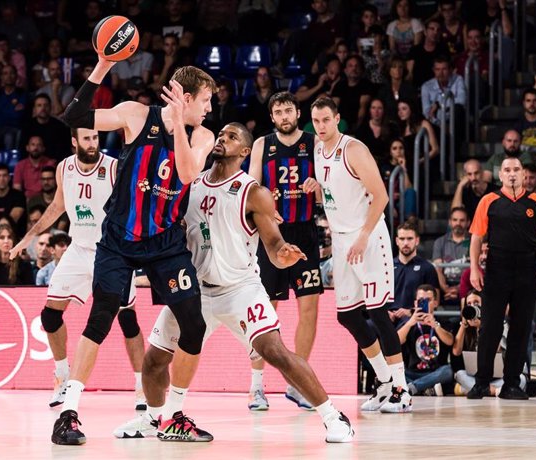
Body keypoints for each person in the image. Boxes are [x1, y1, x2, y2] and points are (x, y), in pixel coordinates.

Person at [113, 122, 354, 442]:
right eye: (221, 134)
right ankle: (154, 420)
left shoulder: (254, 193)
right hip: (196, 289)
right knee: (154, 359)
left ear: (244, 151)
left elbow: (273, 244)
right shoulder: (192, 183)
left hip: (240, 288)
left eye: (232, 137)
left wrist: (284, 254)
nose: (222, 139)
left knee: (274, 350)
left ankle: (332, 415)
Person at [52, 61, 216, 445]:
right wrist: (103, 65)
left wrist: (178, 123)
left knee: (194, 324)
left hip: (166, 245)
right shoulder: (136, 114)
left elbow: (189, 172)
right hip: (119, 240)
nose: (209, 108)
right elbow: (73, 115)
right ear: (187, 96)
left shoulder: (202, 135)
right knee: (101, 317)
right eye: (205, 100)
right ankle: (67, 414)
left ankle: (172, 416)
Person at [11, 128, 147, 410]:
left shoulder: (112, 167)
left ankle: (141, 385)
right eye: (86, 138)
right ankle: (61, 374)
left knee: (128, 320)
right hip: (78, 250)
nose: (92, 143)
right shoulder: (64, 168)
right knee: (49, 316)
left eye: (96, 138)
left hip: (110, 253)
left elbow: (133, 206)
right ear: (74, 141)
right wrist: (26, 238)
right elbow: (56, 207)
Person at [311, 96, 411, 412]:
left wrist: (364, 236)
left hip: (367, 236)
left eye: (326, 120)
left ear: (337, 119)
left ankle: (402, 390)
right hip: (341, 240)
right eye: (316, 121)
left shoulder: (353, 149)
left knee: (378, 311)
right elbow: (335, 193)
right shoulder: (317, 147)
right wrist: (315, 188)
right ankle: (383, 382)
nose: (321, 126)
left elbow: (380, 196)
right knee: (347, 315)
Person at [248, 91, 322, 411]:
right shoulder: (263, 144)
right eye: (278, 112)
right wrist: (264, 207)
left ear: (298, 112)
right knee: (267, 311)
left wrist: (319, 187)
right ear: (272, 117)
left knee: (309, 309)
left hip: (305, 231)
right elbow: (250, 189)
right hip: (272, 235)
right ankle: (256, 387)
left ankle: (297, 384)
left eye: (288, 110)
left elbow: (329, 187)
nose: (284, 116)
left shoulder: (314, 142)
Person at [468, 157, 536, 399]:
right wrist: (475, 269)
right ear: (500, 176)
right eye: (507, 170)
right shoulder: (489, 201)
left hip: (527, 270)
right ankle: (481, 382)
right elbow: (476, 238)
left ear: (523, 175)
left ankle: (511, 384)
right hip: (497, 269)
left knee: (521, 329)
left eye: (516, 170)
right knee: (490, 327)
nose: (511, 174)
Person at [452, 289, 527, 395]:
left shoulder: (499, 322)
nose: (473, 306)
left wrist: (484, 326)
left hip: (501, 375)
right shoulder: (467, 327)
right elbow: (456, 352)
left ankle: (469, 389)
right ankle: (494, 391)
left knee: (521, 379)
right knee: (459, 374)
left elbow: (496, 351)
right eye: (469, 304)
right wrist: (464, 324)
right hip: (478, 377)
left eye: (476, 302)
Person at [397, 284, 454, 396]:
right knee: (394, 371)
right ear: (415, 303)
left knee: (448, 371)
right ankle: (424, 388)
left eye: (428, 300)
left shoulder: (443, 322)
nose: (425, 303)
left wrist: (435, 326)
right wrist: (409, 323)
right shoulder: (408, 323)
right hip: (413, 372)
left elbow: (450, 341)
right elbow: (395, 342)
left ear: (436, 303)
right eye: (421, 300)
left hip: (435, 372)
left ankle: (412, 388)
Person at [392, 221, 440, 325]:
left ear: (417, 240)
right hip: (388, 318)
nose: (405, 243)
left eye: (409, 239)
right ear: (396, 241)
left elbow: (435, 301)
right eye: (402, 239)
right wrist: (385, 313)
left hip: (415, 318)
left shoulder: (427, 268)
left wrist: (411, 312)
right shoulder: (386, 267)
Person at [432, 207, 470, 304]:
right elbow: (438, 269)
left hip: (467, 284)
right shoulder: (440, 242)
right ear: (450, 222)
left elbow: (473, 269)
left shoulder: (473, 242)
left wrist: (458, 289)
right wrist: (446, 289)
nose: (458, 223)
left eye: (462, 220)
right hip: (444, 285)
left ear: (468, 223)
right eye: (455, 220)